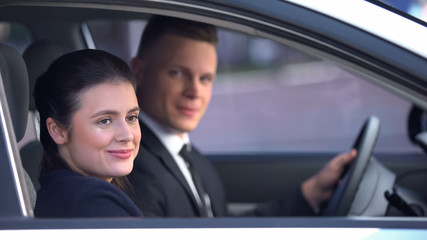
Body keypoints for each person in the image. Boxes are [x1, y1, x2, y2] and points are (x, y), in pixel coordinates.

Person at [128, 15, 356, 217]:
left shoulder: (192, 158)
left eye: (205, 79)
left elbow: (224, 231)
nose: (195, 92)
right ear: (139, 71)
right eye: (177, 73)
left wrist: (310, 195)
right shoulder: (130, 166)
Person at [33, 49, 143, 218]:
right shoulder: (93, 204)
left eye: (131, 117)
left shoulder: (63, 194)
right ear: (58, 131)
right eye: (105, 121)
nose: (127, 135)